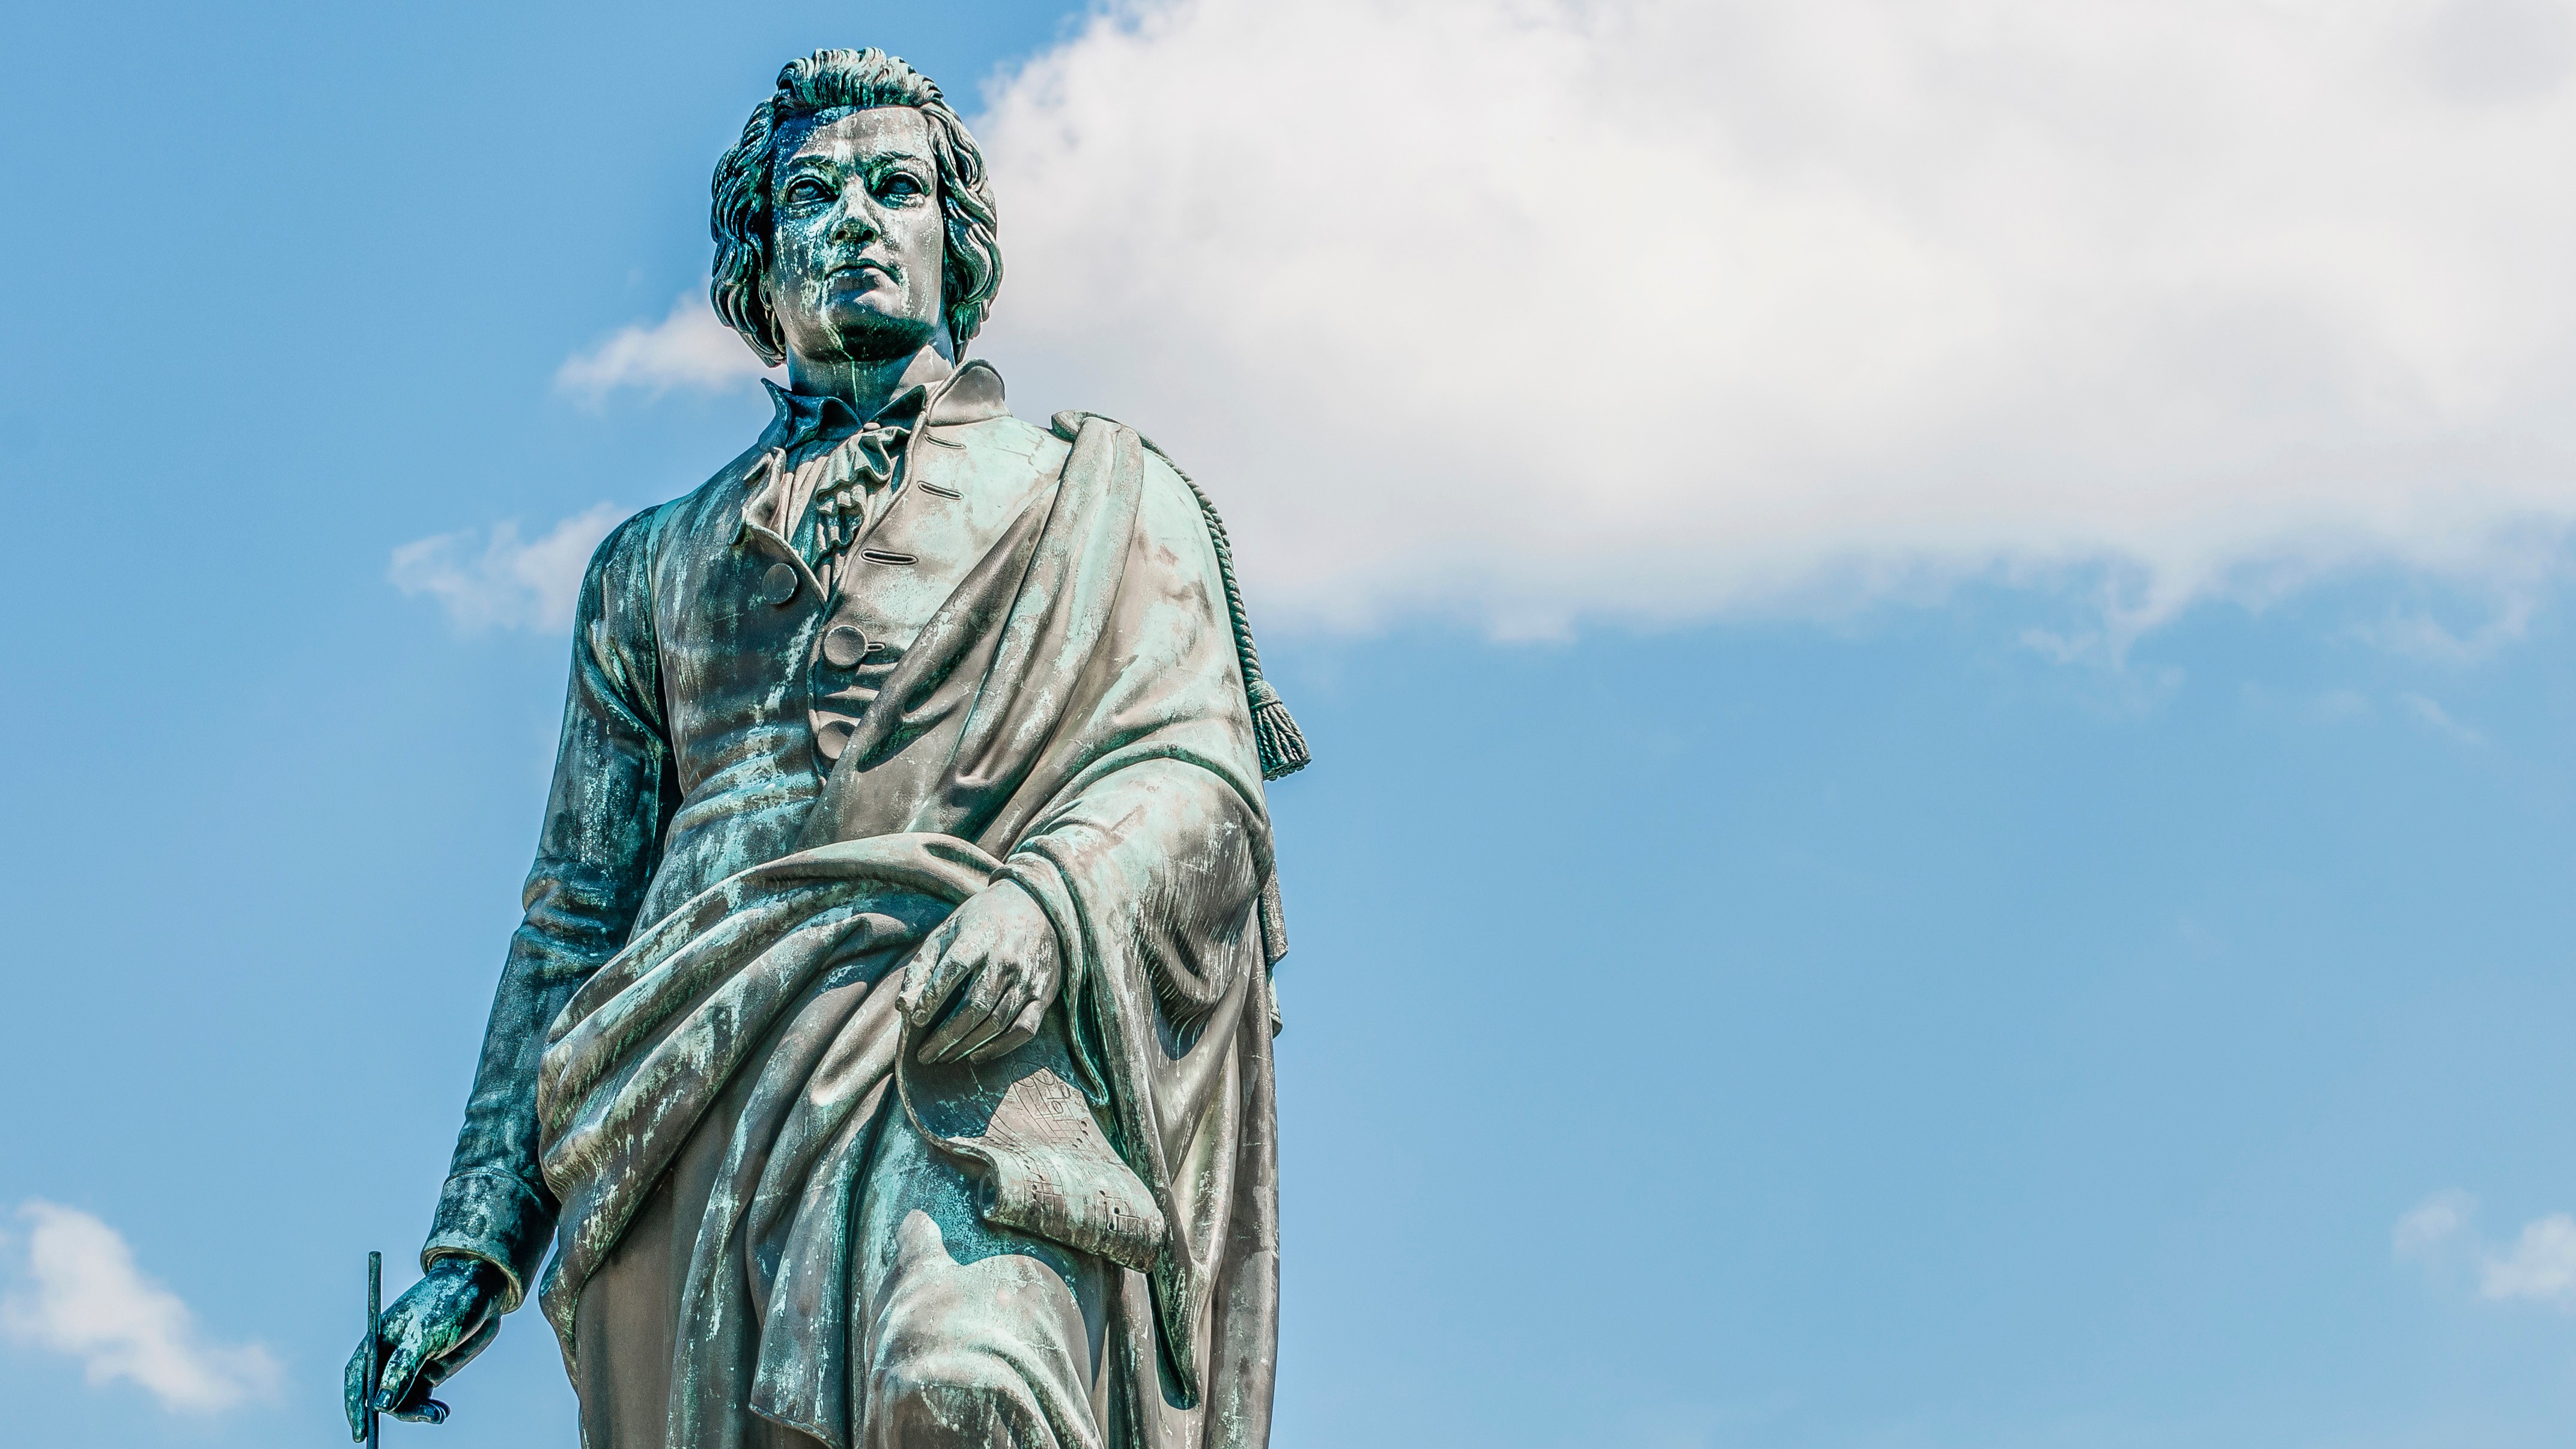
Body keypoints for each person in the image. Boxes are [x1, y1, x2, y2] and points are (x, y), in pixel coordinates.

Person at [345, 47, 1305, 1449]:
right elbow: (570, 918)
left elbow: (1203, 787)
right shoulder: (646, 567)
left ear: (953, 246)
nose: (855, 217)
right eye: (811, 194)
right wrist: (475, 1251)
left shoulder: (1097, 504)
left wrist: (1053, 899)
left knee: (969, 1388)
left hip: (976, 1057)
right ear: (758, 265)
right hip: (695, 1102)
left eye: (894, 187)